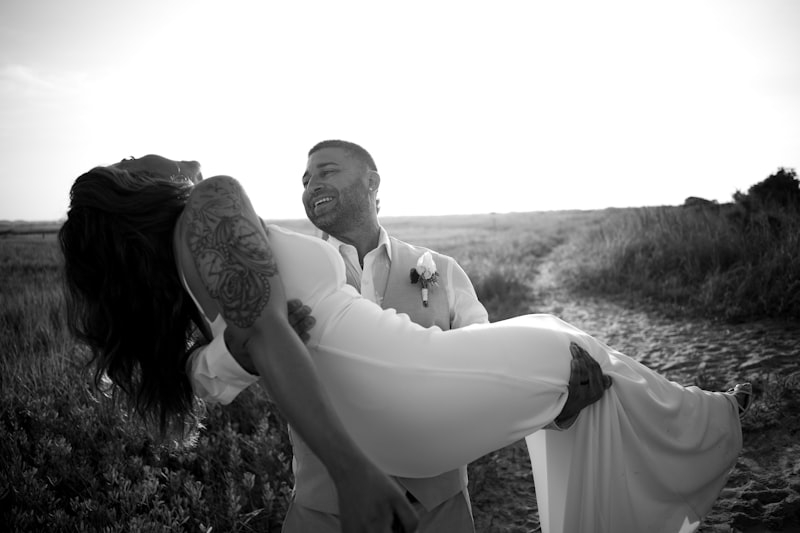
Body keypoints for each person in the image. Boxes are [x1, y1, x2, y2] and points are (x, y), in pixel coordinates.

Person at [60, 155, 752, 533]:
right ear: (138, 188)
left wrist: (242, 348)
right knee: (572, 343)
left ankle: (708, 420)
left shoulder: (188, 279)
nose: (310, 183)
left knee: (565, 355)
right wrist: (357, 473)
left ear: (371, 183)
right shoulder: (211, 203)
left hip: (404, 425)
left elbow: (246, 344)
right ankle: (725, 421)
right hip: (378, 437)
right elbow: (264, 336)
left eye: (326, 171)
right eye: (128, 161)